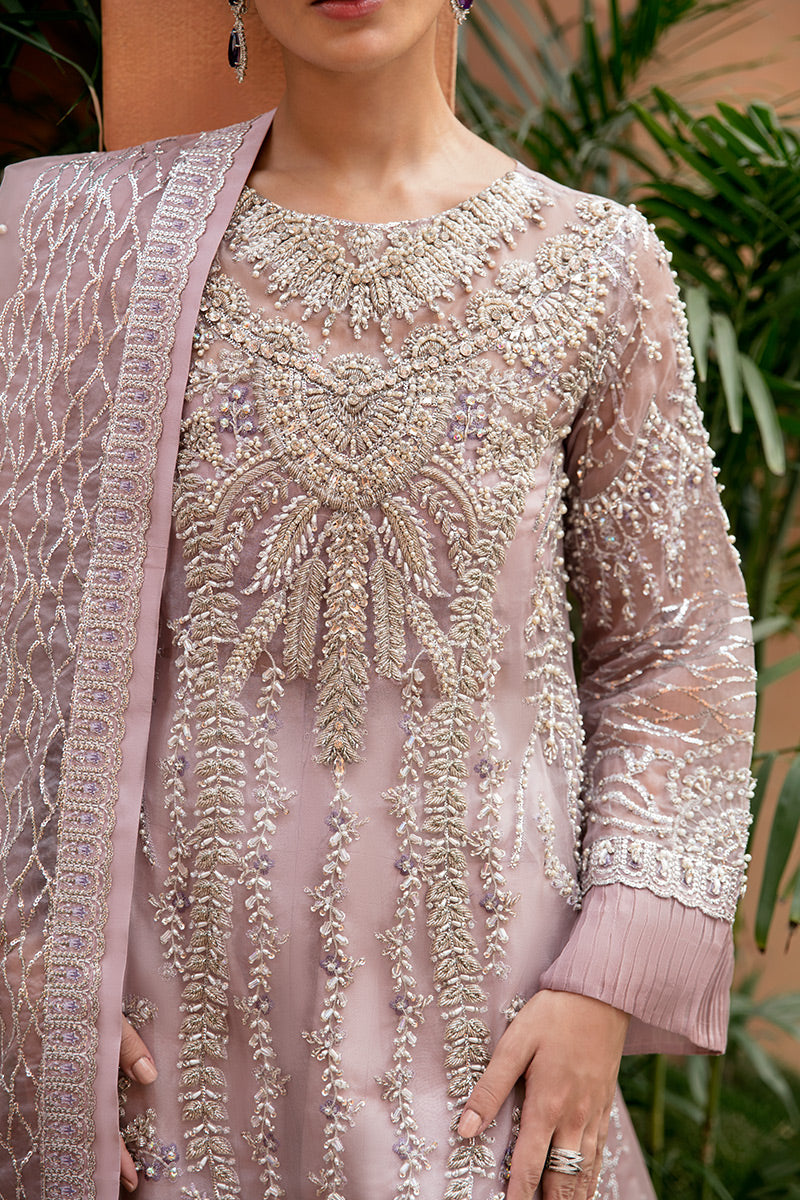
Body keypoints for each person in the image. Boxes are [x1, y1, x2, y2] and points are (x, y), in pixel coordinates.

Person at [0, 1, 756, 1198]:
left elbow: (675, 656)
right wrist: (20, 961)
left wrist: (604, 985)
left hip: (487, 1040)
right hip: (156, 1045)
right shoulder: (77, 245)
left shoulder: (594, 265)